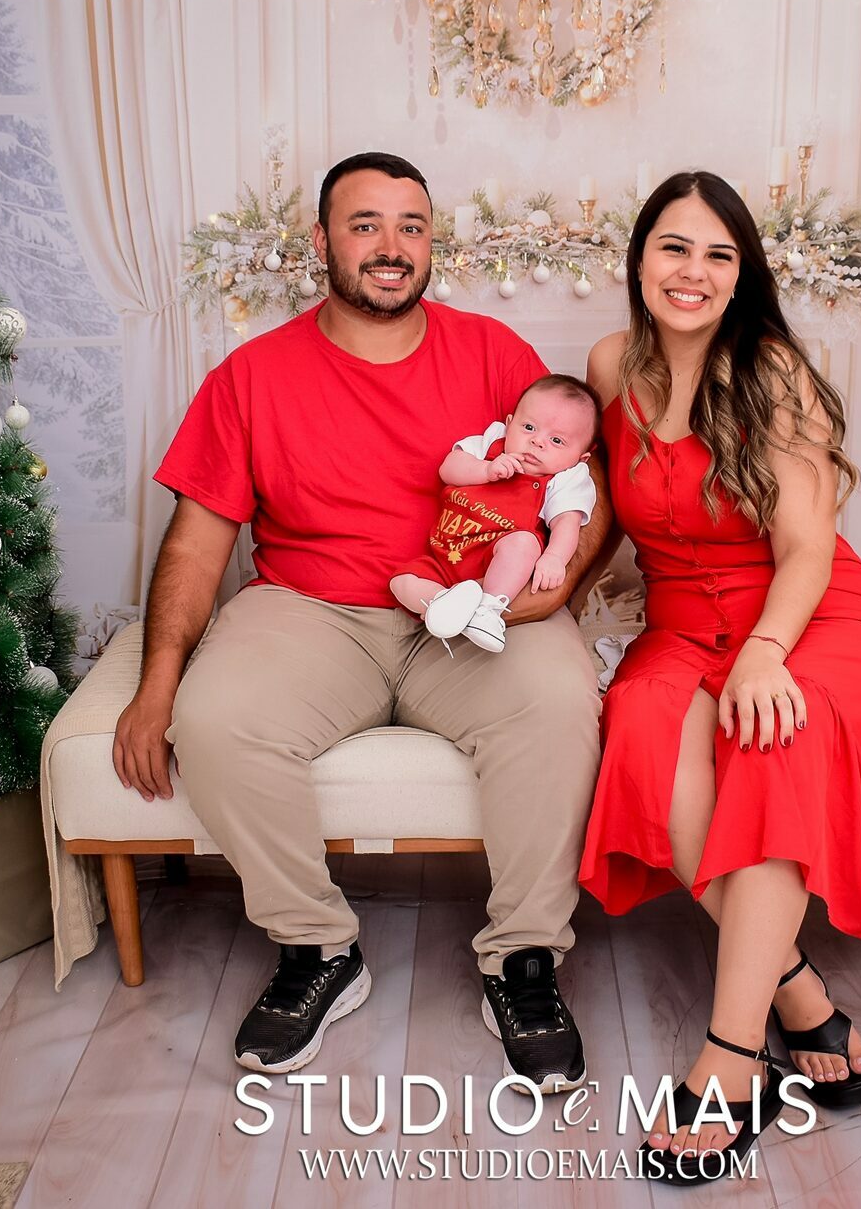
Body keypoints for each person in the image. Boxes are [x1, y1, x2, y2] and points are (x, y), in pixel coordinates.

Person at [114, 153, 608, 1091]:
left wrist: (555, 587)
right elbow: (195, 545)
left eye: (411, 226)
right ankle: (318, 947)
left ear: (432, 243)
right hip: (312, 611)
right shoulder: (252, 375)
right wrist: (155, 686)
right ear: (322, 241)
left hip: (472, 609)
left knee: (555, 701)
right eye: (366, 224)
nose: (391, 246)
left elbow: (584, 486)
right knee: (215, 719)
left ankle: (524, 959)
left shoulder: (494, 355)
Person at [576, 171, 861, 1183]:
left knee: (772, 733)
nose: (693, 271)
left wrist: (764, 652)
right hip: (680, 619)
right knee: (642, 726)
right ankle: (798, 990)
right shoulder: (611, 364)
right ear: (639, 257)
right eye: (674, 246)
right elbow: (606, 510)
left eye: (719, 254)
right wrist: (544, 594)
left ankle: (733, 1054)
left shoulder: (772, 371)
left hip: (805, 613)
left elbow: (806, 547)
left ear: (742, 272)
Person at [390, 374, 600, 653]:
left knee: (525, 543)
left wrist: (554, 558)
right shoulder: (491, 443)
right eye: (529, 427)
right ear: (509, 424)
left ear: (580, 457)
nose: (537, 442)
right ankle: (445, 605)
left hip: (494, 567)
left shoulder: (566, 478)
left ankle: (488, 610)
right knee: (401, 582)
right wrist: (485, 470)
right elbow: (448, 468)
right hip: (444, 557)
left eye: (557, 440)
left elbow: (566, 523)